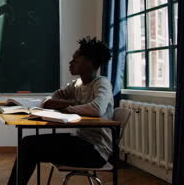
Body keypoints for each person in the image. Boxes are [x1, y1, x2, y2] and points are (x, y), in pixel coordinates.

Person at [7, 36, 113, 185]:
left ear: (89, 63)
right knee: (27, 143)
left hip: (96, 151)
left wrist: (67, 107)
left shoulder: (102, 83)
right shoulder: (77, 84)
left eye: (75, 59)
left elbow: (97, 109)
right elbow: (49, 100)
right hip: (82, 141)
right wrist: (70, 103)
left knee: (29, 146)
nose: (70, 62)